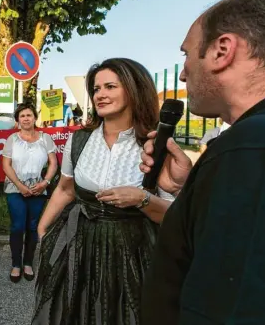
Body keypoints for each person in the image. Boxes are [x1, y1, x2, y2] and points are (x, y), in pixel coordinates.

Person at [140, 0, 265, 325]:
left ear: (221, 51)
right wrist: (190, 190)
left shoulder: (257, 149)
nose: (184, 73)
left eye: (187, 54)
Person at [32, 58, 177, 325]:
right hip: (80, 244)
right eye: (96, 89)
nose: (100, 94)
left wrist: (142, 199)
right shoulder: (79, 139)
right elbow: (65, 189)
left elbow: (174, 216)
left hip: (133, 250)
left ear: (134, 90)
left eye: (110, 86)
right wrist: (42, 229)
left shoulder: (156, 145)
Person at [1, 103, 57, 283]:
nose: (26, 118)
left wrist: (45, 183)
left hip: (38, 188)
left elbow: (53, 163)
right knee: (18, 226)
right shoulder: (12, 139)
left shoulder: (45, 138)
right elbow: (6, 165)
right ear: (18, 120)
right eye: (22, 116)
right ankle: (16, 264)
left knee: (33, 227)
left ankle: (28, 262)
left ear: (34, 118)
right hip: (15, 187)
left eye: (29, 115)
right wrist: (19, 185)